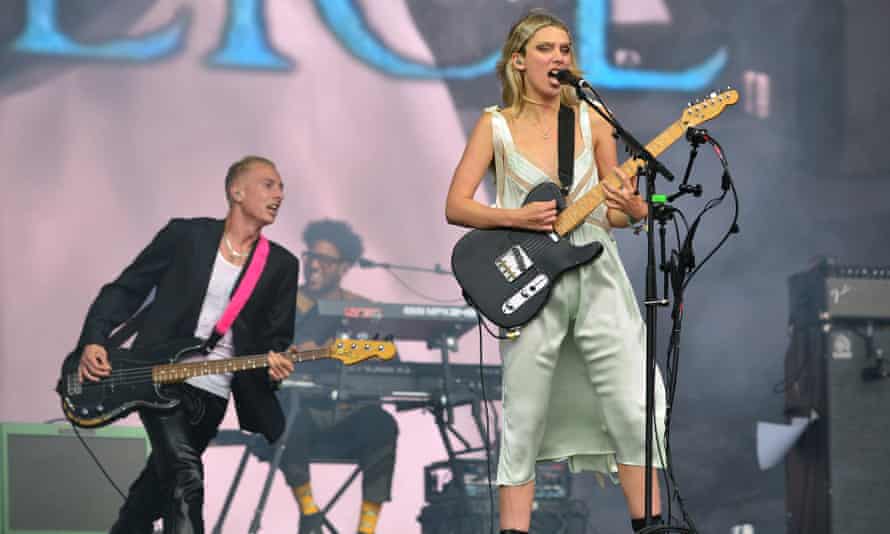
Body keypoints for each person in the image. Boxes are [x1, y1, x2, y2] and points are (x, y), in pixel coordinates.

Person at [445, 10, 667, 534]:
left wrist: (635, 211)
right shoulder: (493, 124)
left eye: (565, 49)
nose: (559, 58)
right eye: (546, 49)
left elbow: (614, 209)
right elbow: (456, 205)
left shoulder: (593, 119)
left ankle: (651, 526)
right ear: (518, 61)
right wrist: (515, 216)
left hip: (596, 267)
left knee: (634, 401)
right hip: (531, 275)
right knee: (523, 415)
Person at [75, 155, 298, 534]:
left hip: (213, 393)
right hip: (159, 376)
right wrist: (95, 339)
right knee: (186, 476)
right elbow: (128, 289)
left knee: (152, 497)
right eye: (269, 184)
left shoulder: (281, 264)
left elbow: (276, 340)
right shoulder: (186, 236)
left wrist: (275, 367)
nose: (279, 194)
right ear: (236, 191)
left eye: (281, 188)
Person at [270, 219, 399, 534]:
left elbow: (391, 357)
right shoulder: (282, 303)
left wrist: (341, 350)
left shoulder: (362, 308)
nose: (313, 265)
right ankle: (309, 513)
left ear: (344, 267)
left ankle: (366, 529)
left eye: (324, 260)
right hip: (298, 419)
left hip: (348, 421)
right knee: (287, 418)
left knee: (383, 425)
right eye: (310, 257)